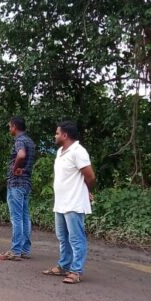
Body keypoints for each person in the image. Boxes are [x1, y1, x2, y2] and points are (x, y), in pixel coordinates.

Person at [42, 121, 95, 284]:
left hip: (74, 202)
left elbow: (90, 176)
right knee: (62, 237)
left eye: (57, 133)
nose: (55, 135)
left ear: (65, 135)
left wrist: (86, 191)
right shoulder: (60, 151)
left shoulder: (78, 152)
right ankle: (64, 265)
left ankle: (76, 271)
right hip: (61, 202)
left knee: (76, 238)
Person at [0, 116, 36, 261]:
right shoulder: (30, 141)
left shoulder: (19, 141)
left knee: (16, 217)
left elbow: (21, 154)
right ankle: (24, 249)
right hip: (26, 183)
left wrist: (15, 168)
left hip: (16, 183)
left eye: (9, 126)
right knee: (25, 216)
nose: (9, 129)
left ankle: (15, 250)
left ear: (14, 126)